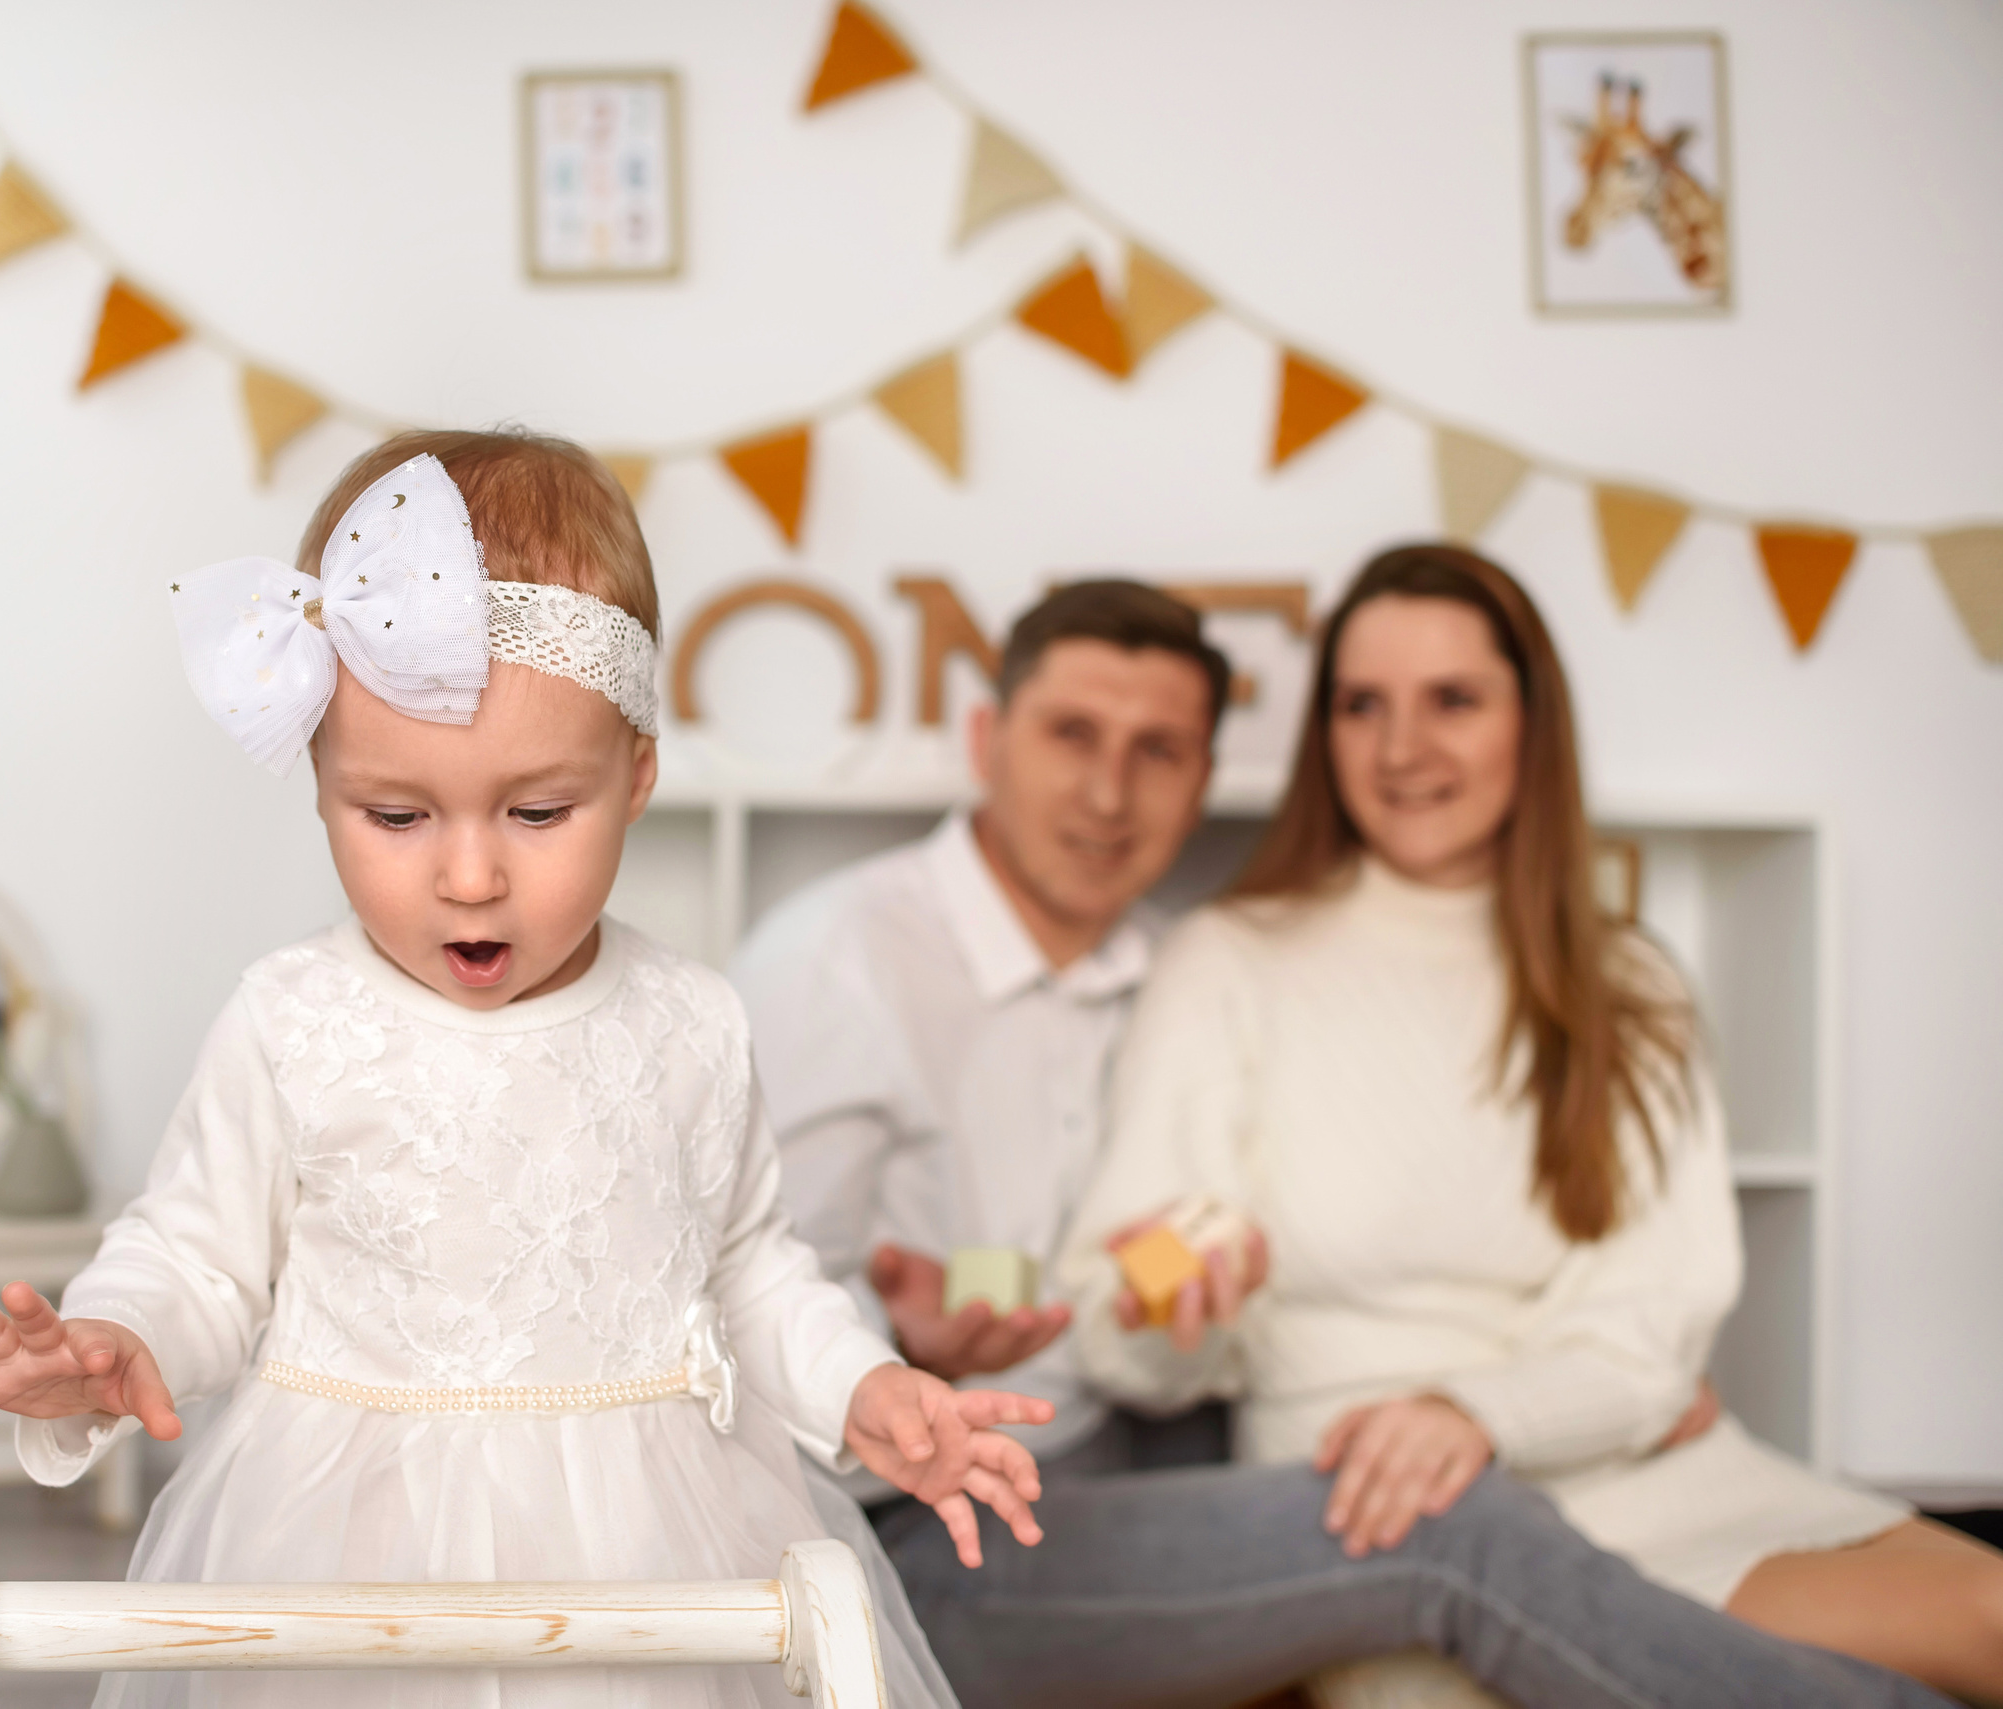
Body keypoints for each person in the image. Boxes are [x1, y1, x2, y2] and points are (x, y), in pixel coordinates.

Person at [0, 430, 1056, 1709]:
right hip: (351, 1550)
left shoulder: (690, 1022)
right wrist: (115, 1333)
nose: (470, 874)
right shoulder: (296, 1017)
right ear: (319, 782)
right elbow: (197, 1247)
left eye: (536, 812)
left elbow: (745, 1268)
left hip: (646, 1550)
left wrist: (865, 1387)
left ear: (636, 777)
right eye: (396, 816)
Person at [736, 576, 1955, 1708]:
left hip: (1113, 1475)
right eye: (1070, 736)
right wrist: (901, 1350)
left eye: (1157, 750)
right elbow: (739, 1305)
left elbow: (1139, 1316)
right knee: (1452, 1526)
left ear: (1209, 770)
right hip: (915, 1518)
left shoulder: (1157, 955)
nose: (1108, 794)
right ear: (983, 738)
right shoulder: (841, 967)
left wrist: (1601, 1392)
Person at [1062, 543, 2003, 1706]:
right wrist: (1173, 1312)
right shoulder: (1231, 960)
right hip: (1385, 1509)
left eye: (1451, 700)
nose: (1403, 748)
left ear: (1531, 723)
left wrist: (1480, 1409)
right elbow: (1121, 1322)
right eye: (1364, 705)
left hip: (1645, 1470)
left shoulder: (1627, 980)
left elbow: (1656, 1320)